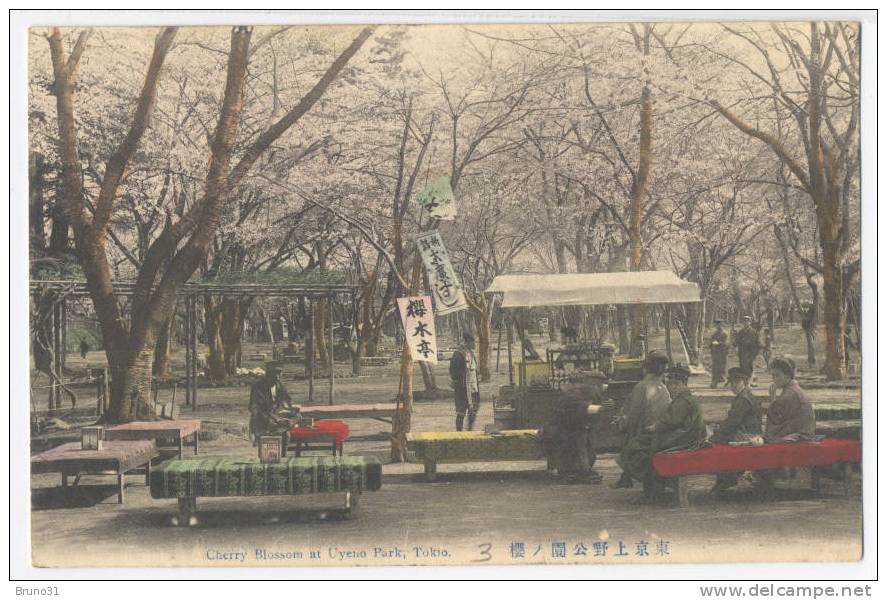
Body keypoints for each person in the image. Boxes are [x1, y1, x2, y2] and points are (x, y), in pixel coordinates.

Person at [611, 350, 672, 489]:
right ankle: (625, 478)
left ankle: (627, 478)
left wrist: (623, 422)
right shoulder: (663, 387)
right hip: (660, 429)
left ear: (645, 369)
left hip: (646, 431)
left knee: (629, 439)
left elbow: (635, 414)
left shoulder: (641, 386)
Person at [541, 371, 607, 483]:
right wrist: (600, 408)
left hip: (572, 428)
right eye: (597, 385)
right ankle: (577, 472)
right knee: (578, 449)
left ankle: (579, 471)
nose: (600, 388)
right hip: (563, 430)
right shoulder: (575, 393)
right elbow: (580, 408)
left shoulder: (582, 392)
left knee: (584, 449)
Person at [710, 366, 763, 492]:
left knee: (719, 445)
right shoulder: (745, 396)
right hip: (749, 434)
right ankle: (727, 478)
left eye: (736, 382)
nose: (733, 385)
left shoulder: (743, 399)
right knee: (720, 439)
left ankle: (727, 479)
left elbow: (733, 422)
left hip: (748, 436)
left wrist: (716, 435)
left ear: (744, 382)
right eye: (731, 382)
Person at [765, 357, 815, 442]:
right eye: (773, 376)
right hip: (801, 432)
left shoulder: (790, 393)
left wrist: (772, 398)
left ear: (787, 375)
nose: (774, 379)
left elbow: (776, 419)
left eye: (777, 375)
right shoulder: (792, 389)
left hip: (799, 435)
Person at [248, 366, 297, 446]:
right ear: (268, 376)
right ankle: (262, 436)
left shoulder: (279, 385)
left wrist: (290, 408)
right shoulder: (258, 386)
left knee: (297, 417)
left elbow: (287, 399)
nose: (278, 378)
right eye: (275, 375)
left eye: (279, 375)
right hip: (263, 416)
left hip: (277, 414)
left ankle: (282, 427)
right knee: (271, 425)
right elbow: (254, 407)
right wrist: (272, 417)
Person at [449, 331, 480, 431]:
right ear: (468, 341)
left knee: (473, 410)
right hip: (462, 389)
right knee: (461, 412)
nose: (475, 344)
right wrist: (459, 382)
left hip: (473, 388)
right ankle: (459, 434)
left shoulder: (470, 352)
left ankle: (469, 431)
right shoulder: (459, 354)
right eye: (474, 342)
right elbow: (453, 371)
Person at [733, 316, 761, 383]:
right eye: (744, 321)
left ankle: (750, 380)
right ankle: (746, 380)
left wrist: (756, 352)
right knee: (742, 366)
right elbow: (736, 342)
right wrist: (735, 348)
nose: (745, 323)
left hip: (751, 353)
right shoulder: (740, 332)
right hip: (742, 352)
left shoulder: (754, 332)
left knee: (750, 366)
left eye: (747, 321)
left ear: (750, 322)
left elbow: (759, 343)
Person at [708, 319, 729, 388]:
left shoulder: (725, 334)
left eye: (719, 324)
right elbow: (710, 343)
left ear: (722, 325)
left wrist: (719, 343)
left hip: (722, 353)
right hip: (715, 354)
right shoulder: (714, 334)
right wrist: (711, 344)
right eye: (716, 325)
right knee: (715, 369)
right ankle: (714, 382)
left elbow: (727, 344)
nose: (718, 326)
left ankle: (722, 382)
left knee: (722, 368)